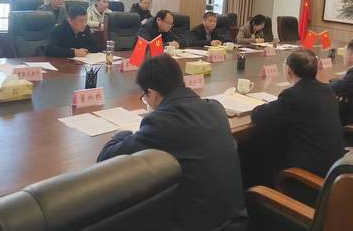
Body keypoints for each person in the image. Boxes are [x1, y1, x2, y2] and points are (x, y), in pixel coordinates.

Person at [97, 55, 248, 231]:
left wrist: (122, 133)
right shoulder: (215, 108)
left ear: (152, 94)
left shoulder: (162, 123)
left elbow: (106, 158)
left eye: (145, 96)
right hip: (237, 222)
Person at [247, 49, 344, 187]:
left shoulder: (294, 96)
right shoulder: (327, 90)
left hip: (306, 181)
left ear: (288, 70)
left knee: (255, 147)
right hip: (332, 173)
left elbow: (260, 116)